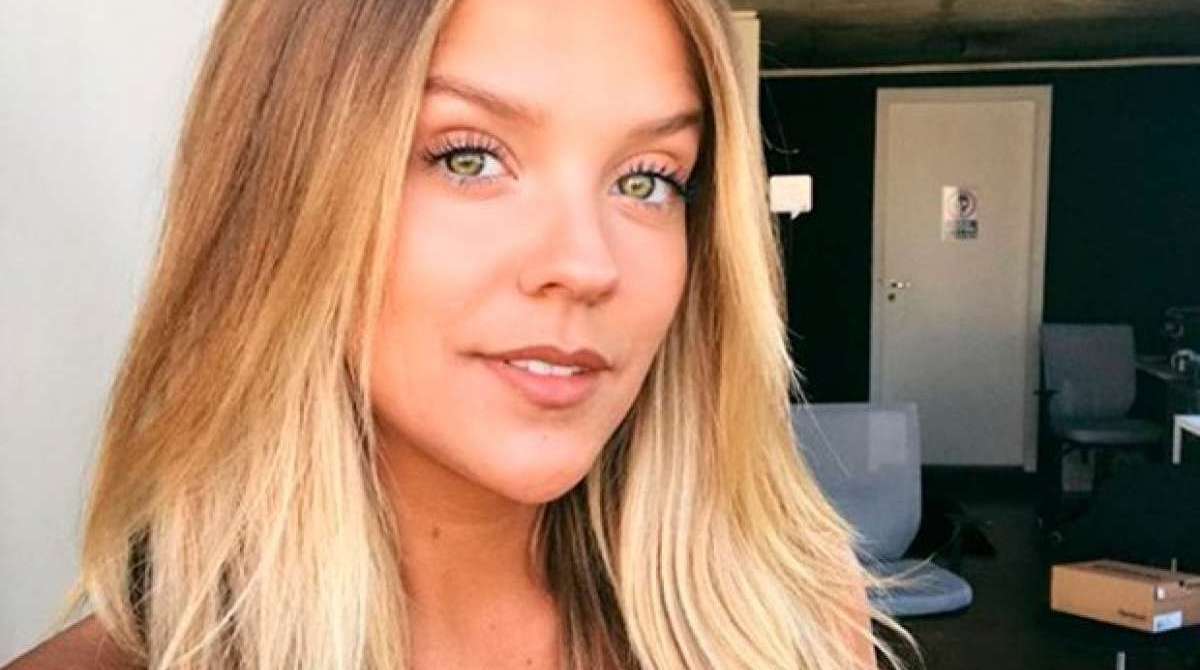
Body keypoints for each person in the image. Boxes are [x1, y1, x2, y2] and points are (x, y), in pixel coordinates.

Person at [4, 0, 906, 668]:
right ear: (280, 199)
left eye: (647, 179)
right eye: (469, 157)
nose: (586, 264)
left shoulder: (791, 623)